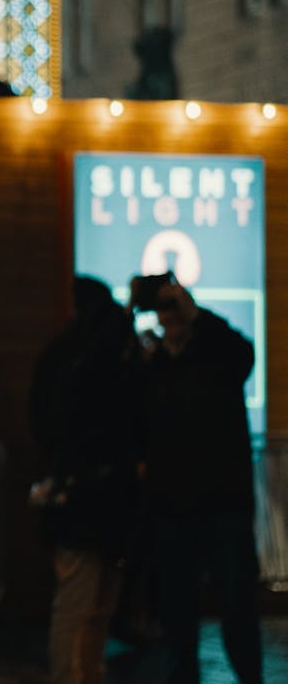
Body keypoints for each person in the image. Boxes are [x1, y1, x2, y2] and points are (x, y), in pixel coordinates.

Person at [133, 275, 263, 684]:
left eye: (175, 309)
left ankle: (249, 676)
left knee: (237, 604)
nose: (170, 317)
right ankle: (184, 673)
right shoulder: (152, 368)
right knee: (178, 609)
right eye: (164, 309)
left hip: (223, 503)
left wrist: (198, 315)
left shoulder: (217, 356)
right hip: (176, 506)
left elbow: (244, 354)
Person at [28, 276, 140, 684]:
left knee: (80, 602)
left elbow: (44, 420)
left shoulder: (61, 358)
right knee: (92, 606)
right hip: (104, 499)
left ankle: (77, 675)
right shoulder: (105, 356)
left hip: (78, 496)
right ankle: (84, 674)